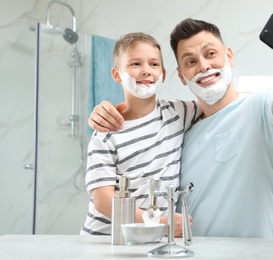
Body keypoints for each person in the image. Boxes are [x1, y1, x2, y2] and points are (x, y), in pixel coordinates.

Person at [88, 18, 273, 238]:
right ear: (180, 76)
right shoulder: (180, 127)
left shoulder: (261, 108)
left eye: (210, 53)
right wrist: (105, 113)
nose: (203, 65)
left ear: (229, 56)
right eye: (190, 62)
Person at [80, 32, 202, 236]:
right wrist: (158, 224)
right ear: (117, 74)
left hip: (146, 239)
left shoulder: (178, 113)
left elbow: (219, 102)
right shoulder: (106, 134)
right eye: (135, 64)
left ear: (162, 74)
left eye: (154, 64)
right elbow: (102, 201)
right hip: (103, 239)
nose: (146, 70)